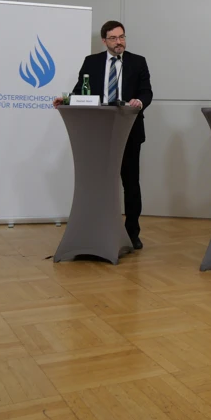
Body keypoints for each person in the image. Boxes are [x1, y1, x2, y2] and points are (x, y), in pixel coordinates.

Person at [54, 21, 153, 249]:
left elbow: (146, 91)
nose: (119, 42)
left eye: (122, 37)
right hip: (98, 134)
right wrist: (66, 99)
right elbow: (81, 91)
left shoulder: (138, 62)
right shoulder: (92, 62)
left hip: (128, 131)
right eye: (113, 38)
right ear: (104, 40)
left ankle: (132, 233)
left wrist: (140, 101)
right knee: (99, 183)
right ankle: (98, 227)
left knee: (131, 183)